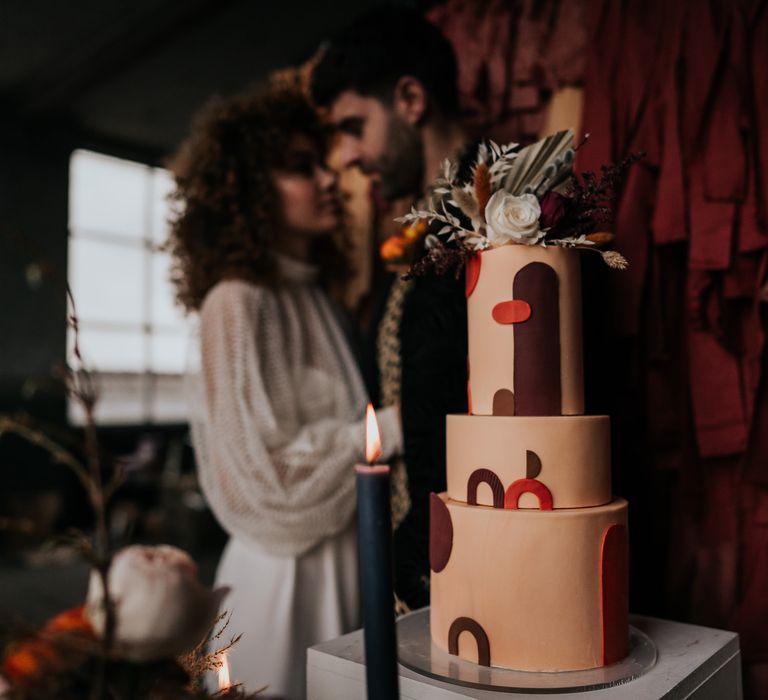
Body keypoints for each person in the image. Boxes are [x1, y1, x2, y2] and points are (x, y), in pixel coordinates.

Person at [167, 82, 402, 698]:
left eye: (325, 162)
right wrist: (391, 429)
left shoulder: (317, 297)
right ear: (249, 190)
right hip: (284, 579)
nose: (329, 179)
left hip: (349, 561)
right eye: (301, 167)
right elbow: (261, 484)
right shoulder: (235, 303)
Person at [311, 7, 471, 610]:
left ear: (409, 98)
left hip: (470, 567)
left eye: (354, 127)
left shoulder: (502, 214)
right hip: (421, 568)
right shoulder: (420, 222)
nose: (347, 157)